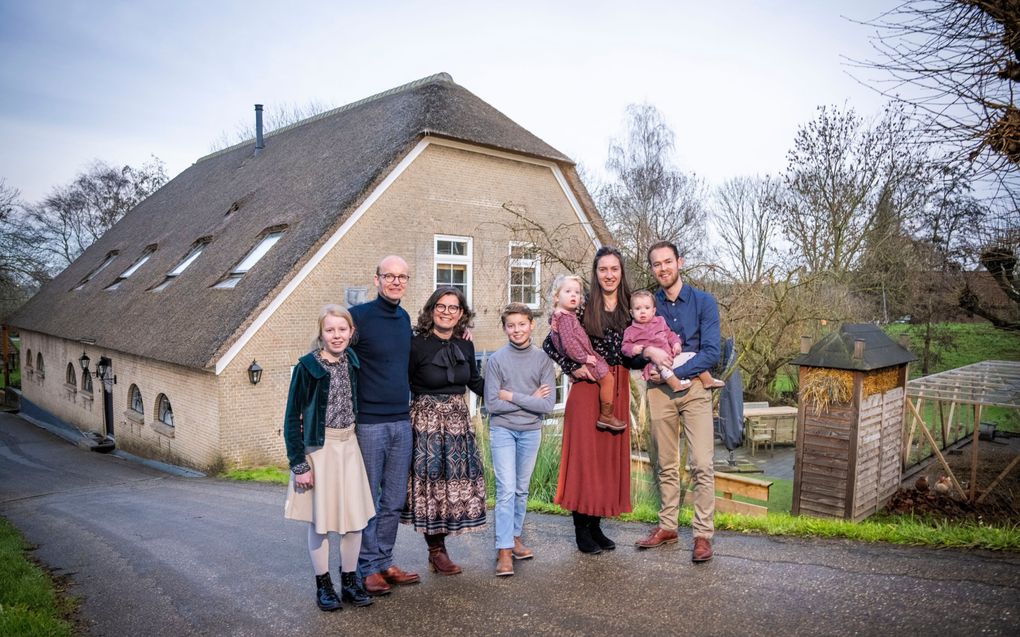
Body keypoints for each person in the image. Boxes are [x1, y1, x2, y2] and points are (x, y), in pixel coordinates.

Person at [543, 246, 640, 554]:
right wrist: (574, 367)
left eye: (614, 269)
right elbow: (550, 342)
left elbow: (639, 348)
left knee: (605, 460)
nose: (608, 274)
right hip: (588, 388)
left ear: (621, 272)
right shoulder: (583, 307)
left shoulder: (630, 307)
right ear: (595, 274)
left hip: (616, 386)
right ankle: (581, 529)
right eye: (602, 269)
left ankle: (596, 526)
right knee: (586, 458)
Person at [283, 304, 375, 611]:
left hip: (349, 446)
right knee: (320, 523)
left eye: (342, 329)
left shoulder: (352, 361)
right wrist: (299, 465)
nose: (337, 335)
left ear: (351, 332)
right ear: (321, 333)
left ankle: (349, 581)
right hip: (319, 450)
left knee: (354, 521)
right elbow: (291, 418)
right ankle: (324, 586)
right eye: (330, 330)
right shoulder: (307, 367)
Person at [635, 240, 721, 563]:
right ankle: (668, 526)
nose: (663, 268)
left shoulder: (703, 302)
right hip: (658, 391)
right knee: (666, 463)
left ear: (680, 262)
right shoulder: (647, 304)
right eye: (656, 264)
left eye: (667, 262)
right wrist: (647, 354)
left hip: (696, 387)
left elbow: (712, 351)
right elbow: (631, 345)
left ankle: (702, 535)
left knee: (701, 463)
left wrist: (674, 371)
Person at [401, 286, 487, 575]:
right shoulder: (415, 344)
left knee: (452, 487)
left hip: (458, 423)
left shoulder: (465, 345)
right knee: (432, 486)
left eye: (453, 307)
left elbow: (475, 381)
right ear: (431, 309)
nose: (447, 312)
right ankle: (436, 550)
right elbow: (402, 381)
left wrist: (512, 394)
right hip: (425, 423)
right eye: (441, 306)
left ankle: (440, 546)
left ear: (461, 314)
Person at [350, 255, 420, 596]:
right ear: (376, 279)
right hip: (369, 424)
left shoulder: (404, 318)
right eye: (389, 276)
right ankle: (366, 568)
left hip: (400, 421)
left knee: (393, 499)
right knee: (369, 499)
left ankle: (384, 561)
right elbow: (328, 352)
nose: (395, 282)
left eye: (401, 277)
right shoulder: (358, 318)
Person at [484, 302, 556, 576]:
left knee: (522, 489)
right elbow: (492, 405)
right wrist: (531, 400)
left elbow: (547, 405)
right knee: (505, 490)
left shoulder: (542, 360)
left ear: (531, 324)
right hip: (503, 430)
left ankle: (514, 538)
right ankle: (503, 550)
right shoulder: (496, 361)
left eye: (521, 324)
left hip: (531, 431)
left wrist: (512, 396)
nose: (516, 330)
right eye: (511, 325)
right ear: (504, 328)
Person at [547, 274, 627, 431]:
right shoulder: (564, 318)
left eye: (576, 293)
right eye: (568, 291)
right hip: (586, 360)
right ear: (557, 297)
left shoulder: (569, 315)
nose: (573, 295)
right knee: (608, 379)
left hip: (592, 358)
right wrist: (578, 361)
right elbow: (567, 345)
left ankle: (607, 415)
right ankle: (607, 415)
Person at [623, 290, 726, 392]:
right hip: (655, 363)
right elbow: (625, 346)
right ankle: (676, 385)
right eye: (637, 309)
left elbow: (670, 334)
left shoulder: (660, 321)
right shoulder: (631, 331)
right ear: (632, 312)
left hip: (671, 356)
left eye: (647, 308)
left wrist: (676, 343)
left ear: (654, 311)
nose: (642, 312)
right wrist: (633, 349)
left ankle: (707, 380)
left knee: (692, 356)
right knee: (662, 367)